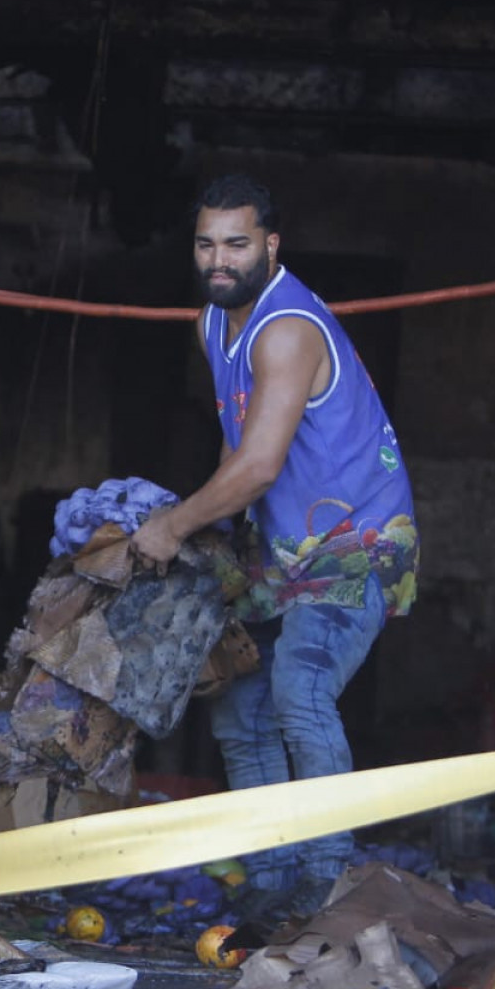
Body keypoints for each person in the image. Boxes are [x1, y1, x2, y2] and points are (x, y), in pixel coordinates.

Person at [130, 174, 419, 915]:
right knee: (238, 709)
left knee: (301, 689)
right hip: (278, 547)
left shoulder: (287, 328)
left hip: (356, 539)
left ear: (271, 245)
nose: (219, 259)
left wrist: (171, 526)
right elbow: (244, 447)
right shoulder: (211, 323)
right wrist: (210, 528)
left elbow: (259, 465)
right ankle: (271, 887)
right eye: (206, 244)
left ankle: (327, 886)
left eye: (237, 243)